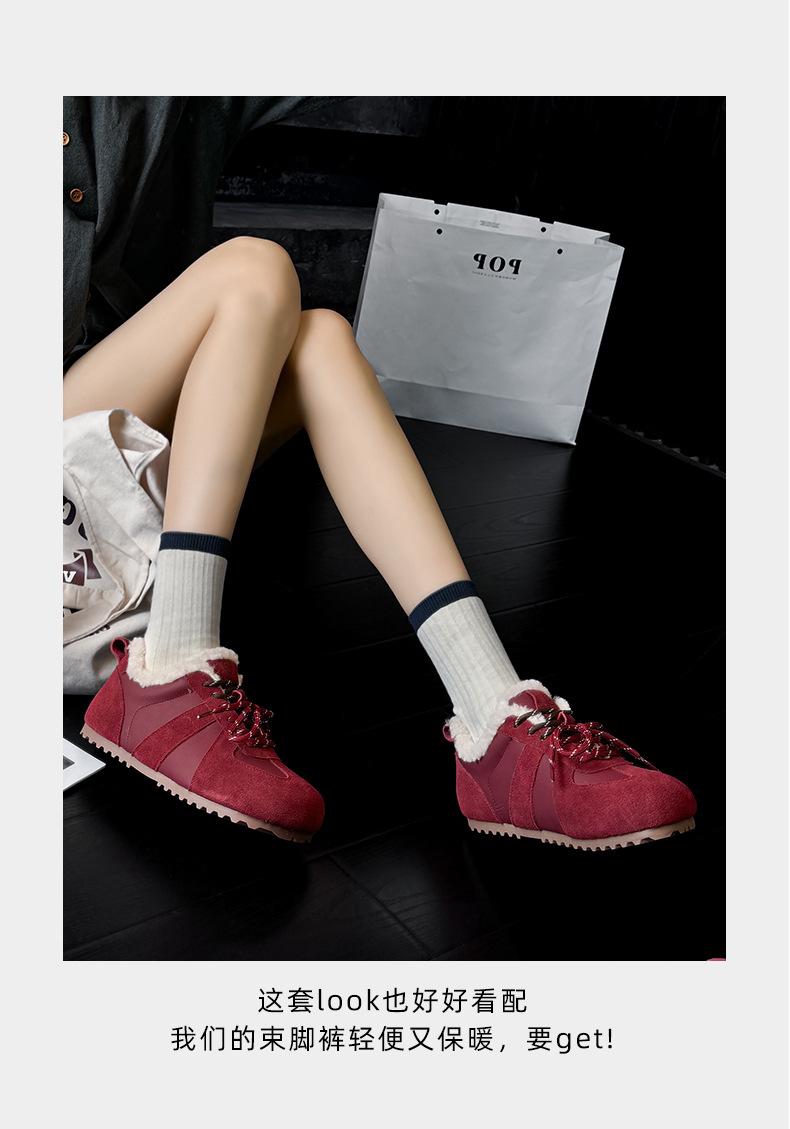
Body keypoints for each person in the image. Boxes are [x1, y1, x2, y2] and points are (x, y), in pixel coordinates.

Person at [65, 96, 697, 849]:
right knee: (253, 267)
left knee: (323, 340)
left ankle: (492, 716)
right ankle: (169, 666)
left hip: (100, 446)